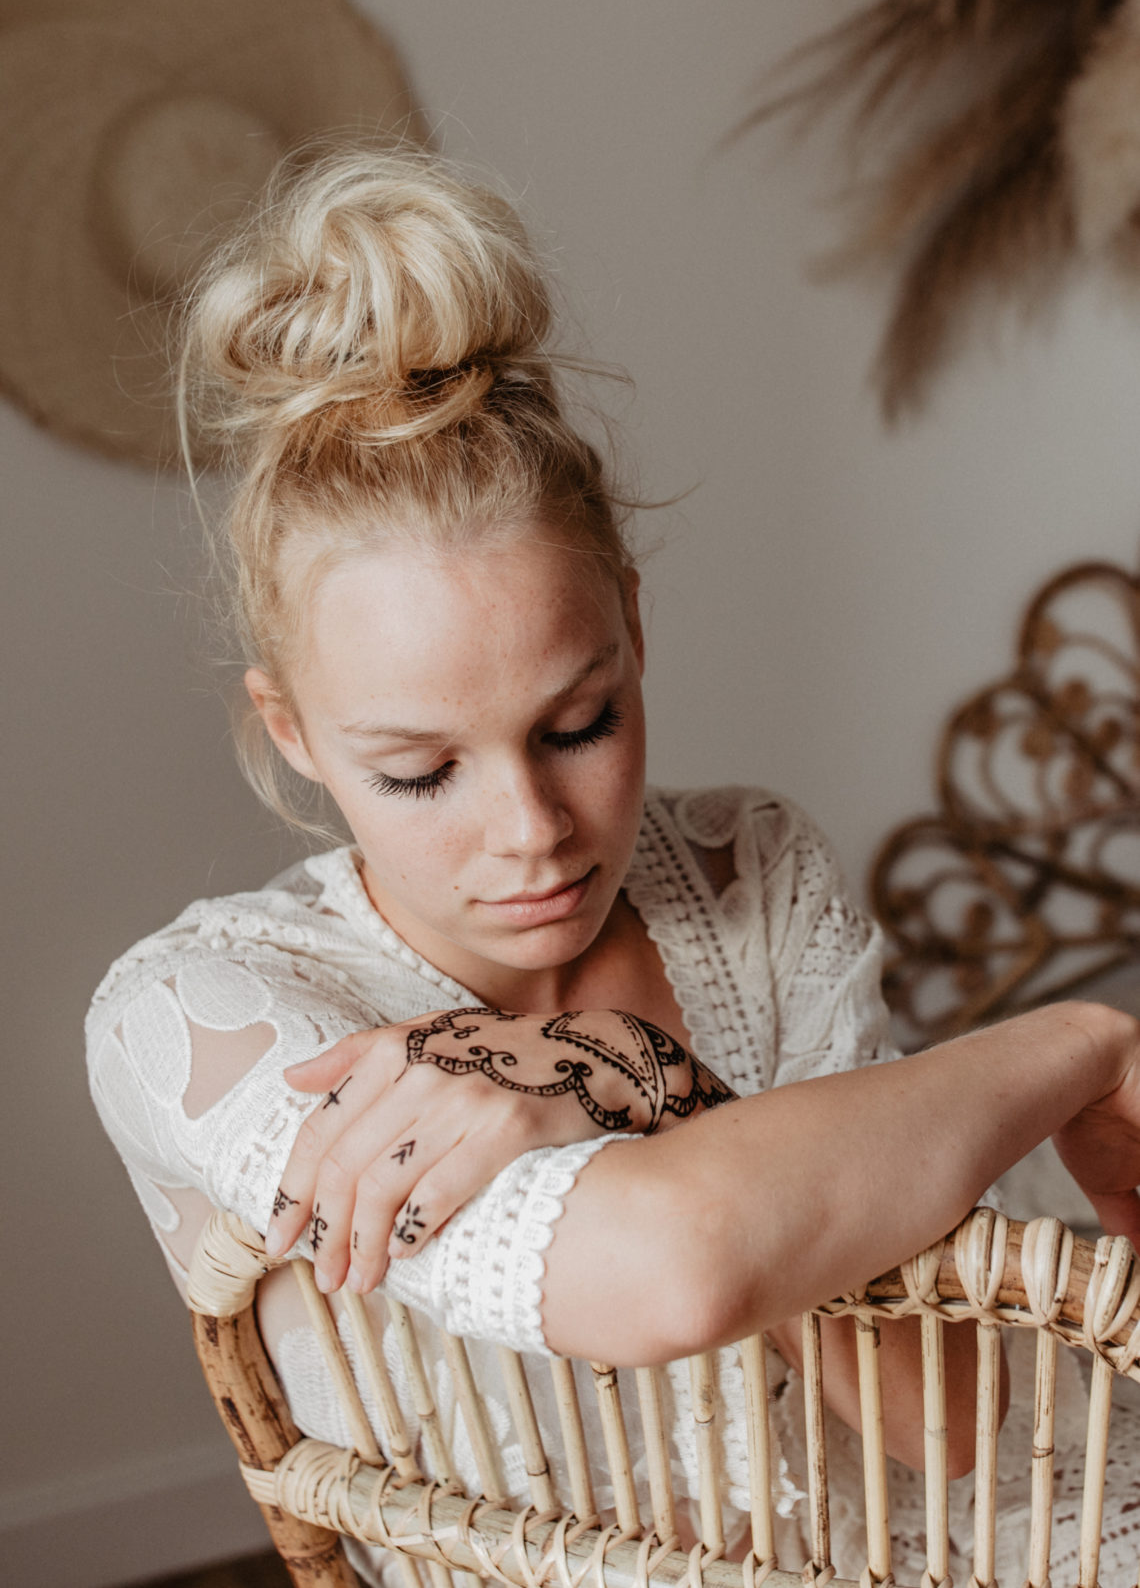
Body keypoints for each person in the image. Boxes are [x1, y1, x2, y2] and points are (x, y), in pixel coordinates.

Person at [87, 146, 1140, 1586]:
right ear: (295, 733)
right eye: (420, 771)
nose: (533, 828)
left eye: (579, 723)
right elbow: (673, 1265)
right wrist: (1078, 1046)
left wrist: (637, 1077)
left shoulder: (749, 871)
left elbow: (946, 1423)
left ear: (635, 633)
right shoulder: (198, 1016)